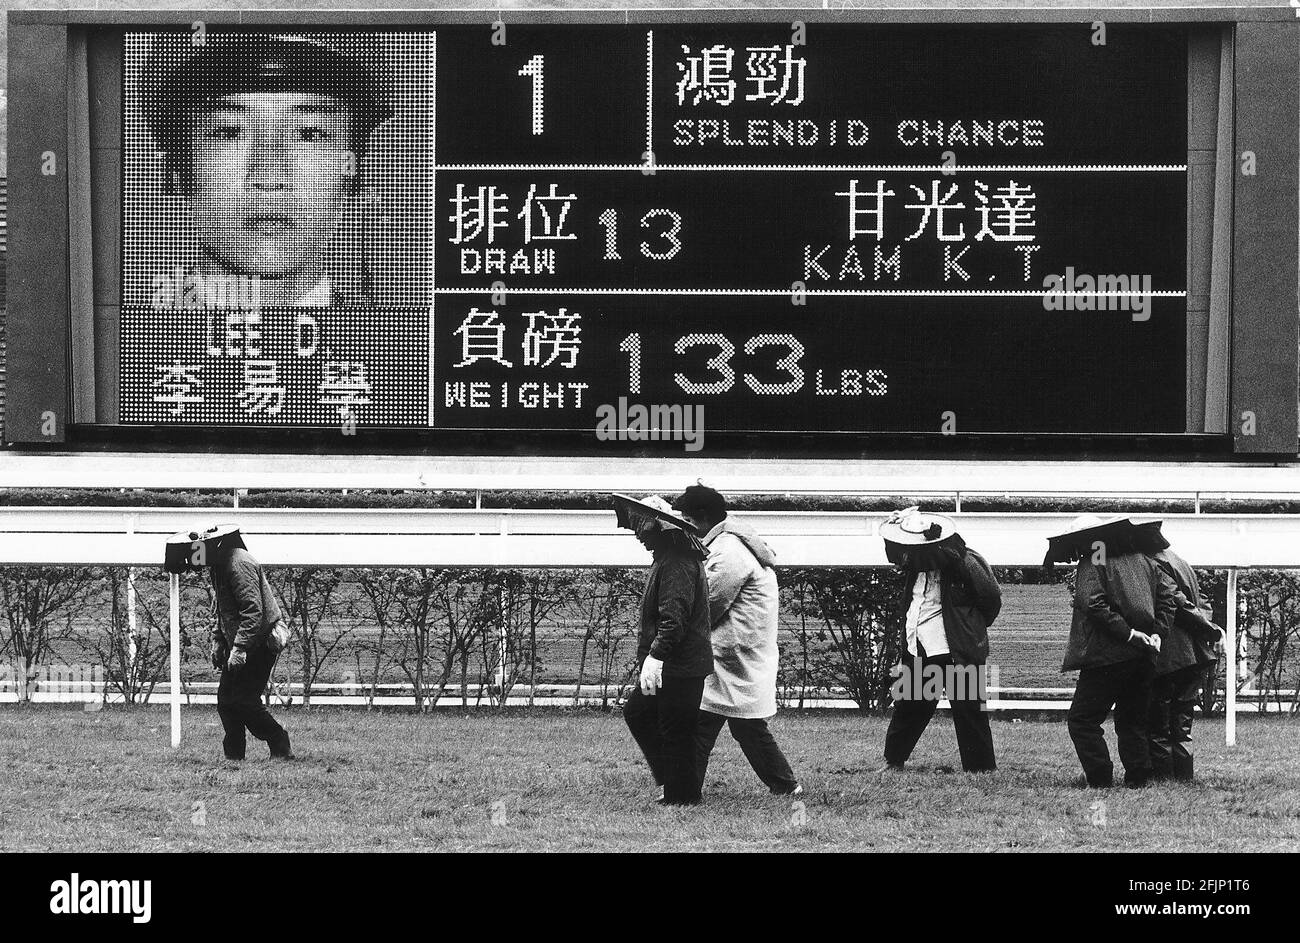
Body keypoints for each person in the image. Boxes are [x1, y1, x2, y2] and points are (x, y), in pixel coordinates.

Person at [144, 33, 390, 307]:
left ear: (354, 170)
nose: (269, 176)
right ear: (178, 170)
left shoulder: (391, 342)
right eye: (230, 132)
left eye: (309, 134)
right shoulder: (133, 340)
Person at [670, 484, 800, 797]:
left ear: (701, 518)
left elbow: (706, 605)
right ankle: (785, 786)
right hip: (739, 650)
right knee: (746, 726)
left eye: (685, 519)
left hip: (732, 653)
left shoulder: (729, 552)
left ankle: (684, 792)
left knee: (701, 722)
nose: (683, 526)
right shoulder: (732, 543)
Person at [1052, 516, 1178, 788]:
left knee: (1082, 721)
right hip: (1144, 656)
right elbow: (1169, 597)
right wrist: (1157, 633)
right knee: (1132, 721)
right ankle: (1138, 777)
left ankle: (1100, 778)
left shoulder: (1094, 558)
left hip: (1105, 657)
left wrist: (1129, 634)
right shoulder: (1143, 559)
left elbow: (1093, 603)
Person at [878, 508, 1001, 773]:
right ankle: (894, 760)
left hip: (956, 647)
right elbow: (895, 555)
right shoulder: (916, 565)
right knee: (909, 705)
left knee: (969, 709)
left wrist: (971, 630)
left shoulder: (967, 561)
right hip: (918, 644)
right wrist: (893, 528)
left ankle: (980, 768)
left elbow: (991, 598)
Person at [614, 494, 714, 806]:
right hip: (676, 663)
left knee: (675, 731)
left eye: (642, 530)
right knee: (642, 716)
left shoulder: (677, 562)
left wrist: (656, 656)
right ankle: (677, 786)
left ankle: (681, 795)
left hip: (679, 664)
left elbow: (675, 618)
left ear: (659, 529)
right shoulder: (670, 557)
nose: (638, 536)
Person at [185, 525, 293, 761]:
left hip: (260, 642)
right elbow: (222, 609)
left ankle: (279, 741)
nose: (198, 556)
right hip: (242, 642)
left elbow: (253, 611)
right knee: (226, 701)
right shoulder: (219, 564)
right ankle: (234, 757)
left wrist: (239, 648)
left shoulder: (238, 564)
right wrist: (218, 639)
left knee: (244, 701)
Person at [1134, 521, 1224, 782]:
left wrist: (1210, 631)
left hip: (1170, 655)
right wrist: (1210, 630)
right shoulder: (1180, 561)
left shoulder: (1153, 564)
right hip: (1195, 656)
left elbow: (1178, 604)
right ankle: (1184, 776)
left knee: (1159, 721)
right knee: (1182, 723)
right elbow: (1201, 602)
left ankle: (1164, 778)